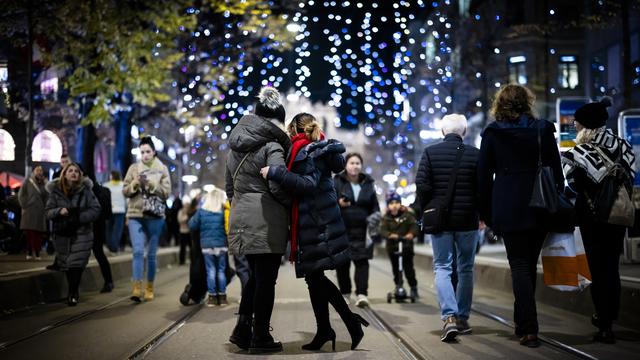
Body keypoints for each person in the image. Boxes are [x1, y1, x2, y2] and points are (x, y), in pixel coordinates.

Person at [260, 112, 370, 352]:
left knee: (315, 277)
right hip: (319, 220)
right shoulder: (317, 148)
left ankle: (349, 323)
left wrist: (275, 172)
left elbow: (307, 184)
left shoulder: (306, 151)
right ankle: (325, 329)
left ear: (294, 129)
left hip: (316, 223)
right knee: (314, 278)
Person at [477, 84, 563, 348]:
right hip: (539, 205)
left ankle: (527, 327)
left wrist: (487, 214)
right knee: (528, 264)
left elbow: (482, 177)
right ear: (528, 102)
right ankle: (522, 322)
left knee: (519, 266)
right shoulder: (543, 129)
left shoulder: (492, 133)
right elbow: (556, 172)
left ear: (499, 104)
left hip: (508, 205)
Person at [562, 97, 635, 344]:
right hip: (617, 215)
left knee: (597, 269)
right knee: (611, 268)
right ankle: (609, 319)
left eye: (577, 124)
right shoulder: (623, 146)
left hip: (592, 217)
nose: (575, 128)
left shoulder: (579, 152)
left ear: (586, 126)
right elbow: (630, 177)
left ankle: (603, 323)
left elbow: (571, 187)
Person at [226, 86, 291, 354]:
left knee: (254, 277)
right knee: (266, 280)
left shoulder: (234, 148)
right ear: (276, 122)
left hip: (241, 217)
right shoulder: (273, 145)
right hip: (266, 218)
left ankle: (242, 329)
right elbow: (278, 184)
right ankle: (260, 335)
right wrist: (290, 205)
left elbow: (229, 189)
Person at [415, 113, 481, 342]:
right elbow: (483, 188)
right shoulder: (475, 154)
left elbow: (422, 185)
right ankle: (462, 318)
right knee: (466, 268)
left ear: (443, 132)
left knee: (442, 266)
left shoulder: (430, 152)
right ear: (464, 132)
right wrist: (482, 214)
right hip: (468, 220)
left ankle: (449, 317)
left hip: (440, 220)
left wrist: (427, 209)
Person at [123, 136, 171, 303]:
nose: (144, 154)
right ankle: (136, 287)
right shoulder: (133, 169)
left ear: (154, 152)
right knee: (137, 251)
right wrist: (135, 183)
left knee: (150, 254)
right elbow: (125, 191)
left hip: (155, 216)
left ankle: (149, 286)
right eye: (142, 151)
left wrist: (152, 185)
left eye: (148, 151)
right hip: (136, 214)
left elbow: (166, 193)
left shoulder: (162, 169)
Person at [45, 163, 101, 306]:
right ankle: (73, 290)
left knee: (76, 264)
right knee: (67, 264)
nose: (73, 173)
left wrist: (79, 218)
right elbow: (48, 212)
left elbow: (96, 209)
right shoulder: (55, 191)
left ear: (80, 175)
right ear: (64, 174)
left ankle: (73, 292)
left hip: (82, 233)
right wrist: (59, 211)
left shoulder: (86, 191)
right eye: (70, 171)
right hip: (63, 234)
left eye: (76, 171)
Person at [333, 153, 380, 307]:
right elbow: (328, 204)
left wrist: (373, 220)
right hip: (341, 229)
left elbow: (375, 207)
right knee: (343, 263)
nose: (355, 166)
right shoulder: (337, 182)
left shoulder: (368, 183)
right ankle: (345, 293)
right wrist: (339, 203)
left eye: (358, 163)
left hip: (362, 230)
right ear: (346, 165)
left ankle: (362, 294)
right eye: (352, 163)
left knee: (362, 262)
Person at [188, 188, 229, 307]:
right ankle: (222, 297)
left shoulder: (202, 211)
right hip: (221, 244)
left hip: (206, 245)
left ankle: (212, 297)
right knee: (221, 271)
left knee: (210, 271)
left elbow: (192, 225)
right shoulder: (223, 211)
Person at [380, 192, 420, 299]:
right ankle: (398, 285)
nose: (394, 205)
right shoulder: (386, 218)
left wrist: (411, 234)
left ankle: (413, 287)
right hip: (393, 248)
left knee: (409, 269)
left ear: (400, 204)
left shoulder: (407, 216)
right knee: (396, 269)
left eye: (397, 202)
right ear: (388, 205)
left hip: (406, 247)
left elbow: (414, 226)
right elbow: (382, 229)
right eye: (391, 203)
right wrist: (389, 234)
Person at [88, 173, 114, 293]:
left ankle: (108, 281)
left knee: (98, 253)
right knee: (98, 253)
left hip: (94, 226)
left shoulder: (96, 190)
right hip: (97, 226)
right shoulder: (104, 190)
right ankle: (109, 281)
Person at [18, 166, 48, 260]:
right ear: (34, 172)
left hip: (40, 211)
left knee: (38, 234)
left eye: (41, 170)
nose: (39, 172)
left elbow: (47, 196)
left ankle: (37, 252)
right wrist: (25, 204)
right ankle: (30, 251)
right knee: (29, 233)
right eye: (37, 170)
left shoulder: (44, 183)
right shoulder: (28, 181)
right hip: (29, 210)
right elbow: (21, 194)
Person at [103, 171, 126, 253]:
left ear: (111, 176)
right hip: (120, 210)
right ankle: (114, 246)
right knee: (117, 230)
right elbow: (126, 199)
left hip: (109, 210)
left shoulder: (106, 185)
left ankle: (109, 245)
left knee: (108, 229)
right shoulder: (123, 185)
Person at [177, 196, 192, 265]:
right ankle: (181, 261)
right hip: (182, 231)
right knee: (182, 248)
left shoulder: (190, 212)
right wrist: (186, 217)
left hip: (189, 231)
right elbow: (180, 220)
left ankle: (192, 260)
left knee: (191, 248)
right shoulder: (180, 212)